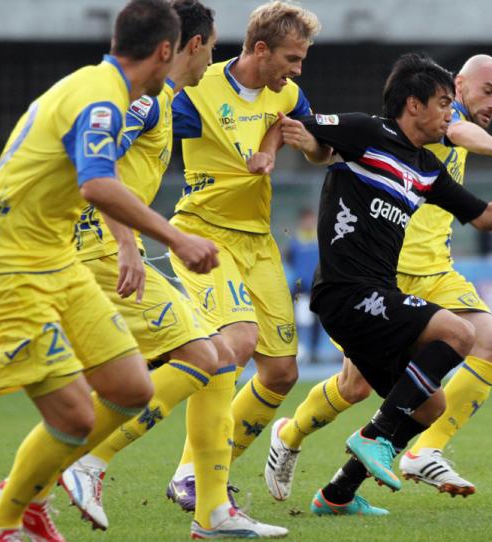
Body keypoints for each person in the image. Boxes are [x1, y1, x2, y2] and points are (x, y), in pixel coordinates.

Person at [269, 52, 492, 515]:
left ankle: (338, 494)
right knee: (457, 335)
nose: (451, 116)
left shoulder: (427, 168)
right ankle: (364, 436)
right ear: (415, 104)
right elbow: (302, 129)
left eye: (453, 106)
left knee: (430, 405)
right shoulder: (367, 131)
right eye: (445, 104)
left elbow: (483, 215)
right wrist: (288, 149)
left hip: (386, 293)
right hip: (346, 292)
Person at [0, 1, 220, 540]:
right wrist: (175, 238)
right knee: (76, 416)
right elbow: (98, 183)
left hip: (55, 259)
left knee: (131, 388)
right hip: (7, 268)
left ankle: (33, 496)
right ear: (166, 50)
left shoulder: (102, 89)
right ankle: (2, 525)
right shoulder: (102, 99)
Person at [36, 2, 284, 538]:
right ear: (191, 46)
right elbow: (96, 168)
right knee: (203, 355)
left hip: (100, 252)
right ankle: (86, 462)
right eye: (210, 48)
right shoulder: (148, 104)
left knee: (216, 356)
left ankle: (211, 510)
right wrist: (128, 244)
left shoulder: (163, 101)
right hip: (99, 254)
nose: (211, 59)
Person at [164, 0, 328, 510]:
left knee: (281, 373)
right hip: (204, 234)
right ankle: (192, 474)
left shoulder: (289, 94)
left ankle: (205, 472)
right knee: (235, 344)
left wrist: (303, 143)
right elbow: (150, 133)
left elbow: (320, 150)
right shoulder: (198, 88)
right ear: (260, 49)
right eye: (292, 58)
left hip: (258, 241)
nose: (298, 70)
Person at [286, 207, 322, 363]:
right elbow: (290, 260)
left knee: (316, 319)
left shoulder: (320, 239)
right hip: (300, 288)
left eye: (311, 218)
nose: (309, 222)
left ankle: (313, 351)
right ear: (301, 221)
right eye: (306, 219)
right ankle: (296, 348)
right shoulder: (295, 242)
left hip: (318, 286)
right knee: (297, 318)